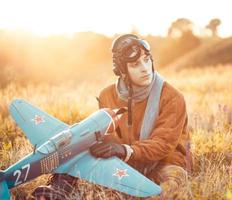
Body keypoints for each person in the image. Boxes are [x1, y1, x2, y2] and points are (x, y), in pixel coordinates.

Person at [32, 34, 191, 200]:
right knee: (83, 145)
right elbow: (106, 136)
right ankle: (58, 188)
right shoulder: (107, 95)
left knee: (170, 187)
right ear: (122, 71)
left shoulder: (172, 97)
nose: (145, 68)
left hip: (166, 162)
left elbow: (163, 143)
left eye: (147, 59)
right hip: (125, 161)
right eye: (135, 64)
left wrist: (126, 150)